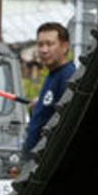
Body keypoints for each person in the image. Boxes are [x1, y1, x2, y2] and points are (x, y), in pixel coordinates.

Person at [24, 21, 76, 153]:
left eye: (50, 44)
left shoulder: (67, 76)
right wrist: (40, 102)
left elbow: (65, 120)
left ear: (65, 46)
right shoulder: (53, 74)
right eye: (40, 45)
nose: (44, 50)